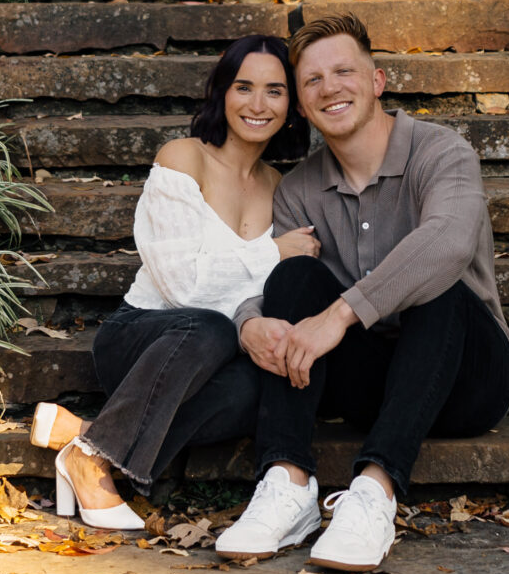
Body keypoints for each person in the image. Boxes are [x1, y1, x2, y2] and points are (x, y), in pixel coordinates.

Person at [215, 11, 509, 573]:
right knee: (293, 276)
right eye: (312, 81)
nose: (330, 88)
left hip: (466, 376)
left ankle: (375, 491)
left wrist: (341, 313)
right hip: (371, 382)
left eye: (344, 72)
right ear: (302, 107)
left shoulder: (441, 152)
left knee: (438, 284)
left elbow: (449, 243)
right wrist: (247, 321)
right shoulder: (301, 189)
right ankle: (287, 482)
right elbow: (273, 283)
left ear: (377, 80)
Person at [31, 35, 319, 529]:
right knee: (209, 327)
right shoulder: (184, 158)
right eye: (243, 87)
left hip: (211, 367)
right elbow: (185, 285)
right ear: (221, 93)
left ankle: (90, 438)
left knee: (259, 389)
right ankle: (90, 462)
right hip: (146, 340)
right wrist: (273, 251)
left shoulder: (281, 187)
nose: (256, 104)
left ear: (291, 104)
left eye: (274, 91)